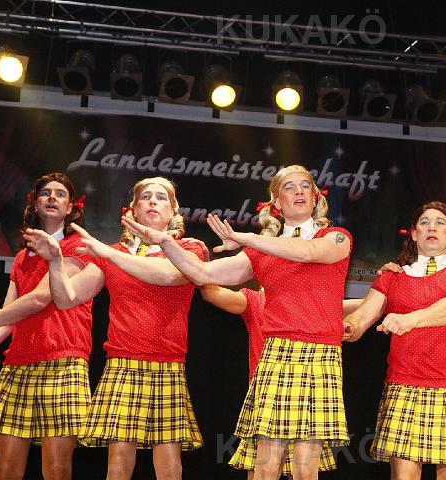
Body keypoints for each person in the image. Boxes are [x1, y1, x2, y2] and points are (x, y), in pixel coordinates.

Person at [64, 164, 353, 480]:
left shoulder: (336, 237)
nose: (298, 191)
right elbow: (202, 273)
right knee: (266, 465)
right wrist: (166, 242)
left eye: (305, 185)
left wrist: (247, 238)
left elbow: (308, 252)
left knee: (305, 467)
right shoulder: (260, 253)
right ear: (276, 203)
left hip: (318, 352)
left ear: (315, 197)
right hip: (275, 352)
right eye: (289, 187)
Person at [24, 177, 204, 480]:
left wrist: (111, 255)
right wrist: (55, 263)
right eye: (145, 197)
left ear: (174, 211)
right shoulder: (114, 252)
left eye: (161, 197)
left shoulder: (189, 248)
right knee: (118, 465)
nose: (152, 201)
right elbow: (67, 298)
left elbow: (168, 275)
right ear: (133, 209)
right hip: (122, 363)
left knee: (169, 466)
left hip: (167, 363)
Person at [0, 173, 91, 480]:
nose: (52, 197)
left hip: (62, 362)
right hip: (18, 364)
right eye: (45, 192)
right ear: (35, 204)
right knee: (5, 471)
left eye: (60, 194)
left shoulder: (78, 247)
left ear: (70, 208)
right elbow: (8, 318)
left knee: (56, 471)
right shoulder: (23, 257)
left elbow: (39, 299)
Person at [343, 201, 446, 480]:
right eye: (424, 222)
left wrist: (408, 319)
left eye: (439, 222)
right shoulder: (392, 276)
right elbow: (362, 317)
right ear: (413, 233)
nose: (431, 227)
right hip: (404, 387)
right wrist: (347, 327)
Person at [200, 286, 362, 478]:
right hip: (270, 401)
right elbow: (211, 293)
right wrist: (196, 267)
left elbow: (362, 304)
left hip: (305, 399)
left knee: (302, 471)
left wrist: (386, 285)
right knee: (264, 470)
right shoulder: (257, 301)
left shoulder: (312, 301)